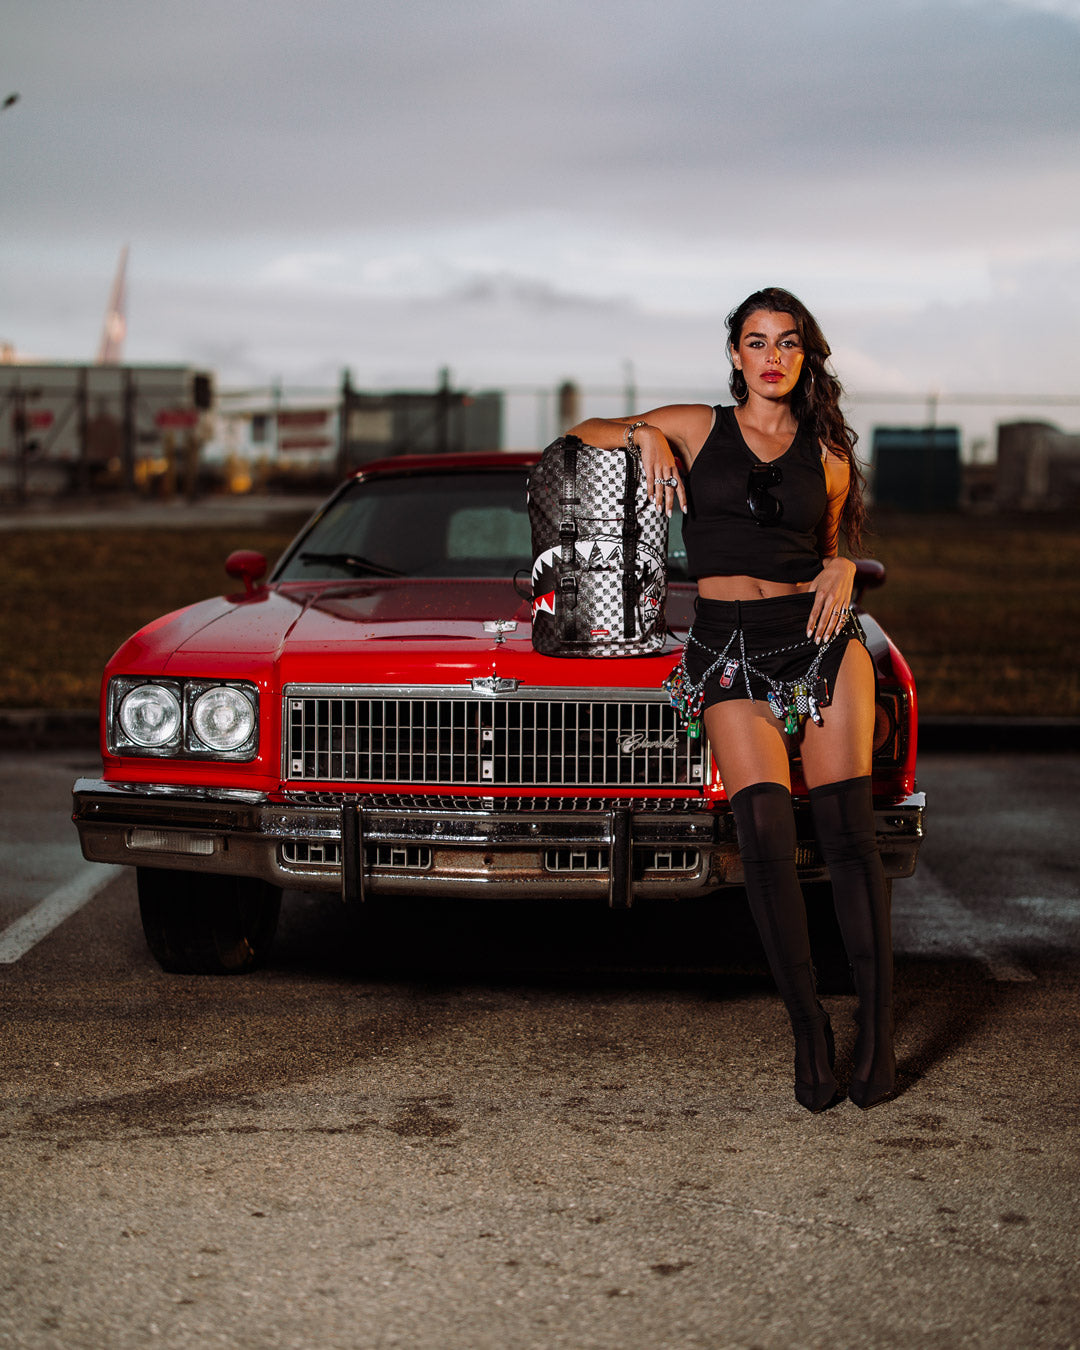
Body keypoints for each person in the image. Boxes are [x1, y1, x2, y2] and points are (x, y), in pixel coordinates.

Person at [568, 286, 895, 1112]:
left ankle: (879, 1031)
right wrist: (642, 434)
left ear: (805, 357)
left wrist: (845, 567)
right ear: (735, 354)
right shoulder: (693, 426)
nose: (771, 357)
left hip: (815, 642)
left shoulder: (828, 456)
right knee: (764, 839)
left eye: (787, 342)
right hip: (725, 649)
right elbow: (579, 435)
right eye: (756, 341)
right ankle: (809, 1029)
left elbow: (829, 556)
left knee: (849, 839)